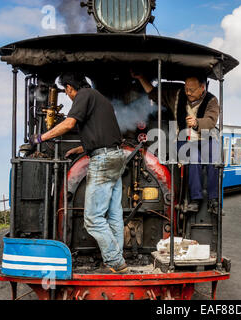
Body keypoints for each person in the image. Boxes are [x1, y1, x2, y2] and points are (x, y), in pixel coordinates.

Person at [30, 73, 127, 273]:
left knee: (93, 219)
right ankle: (116, 260)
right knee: (114, 214)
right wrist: (81, 149)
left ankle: (115, 261)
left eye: (66, 91)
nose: (68, 95)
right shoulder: (102, 100)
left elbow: (69, 124)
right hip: (117, 156)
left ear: (69, 87)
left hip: (103, 159)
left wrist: (40, 138)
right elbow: (104, 135)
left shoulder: (83, 95)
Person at [131, 70, 220, 213]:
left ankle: (213, 199)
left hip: (204, 138)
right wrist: (142, 78)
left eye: (191, 90)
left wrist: (197, 122)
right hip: (183, 139)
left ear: (202, 88)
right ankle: (195, 199)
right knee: (193, 158)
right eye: (186, 89)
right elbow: (154, 94)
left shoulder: (212, 101)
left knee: (215, 158)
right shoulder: (178, 95)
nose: (188, 93)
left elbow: (211, 120)